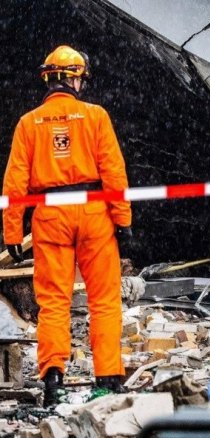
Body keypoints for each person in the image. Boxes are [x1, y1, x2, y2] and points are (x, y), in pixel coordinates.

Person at [2, 45, 133, 406]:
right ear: (74, 78)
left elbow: (14, 183)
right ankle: (107, 380)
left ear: (48, 79)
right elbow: (113, 172)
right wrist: (123, 220)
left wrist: (13, 231)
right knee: (104, 300)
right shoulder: (96, 117)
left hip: (50, 215)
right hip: (94, 212)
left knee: (54, 302)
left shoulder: (29, 123)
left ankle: (53, 382)